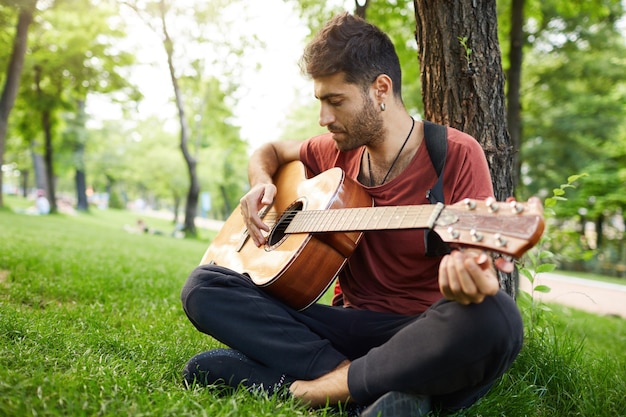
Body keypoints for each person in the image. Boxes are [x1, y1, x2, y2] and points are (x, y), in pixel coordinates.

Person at [181, 12, 527, 416]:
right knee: (204, 287)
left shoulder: (456, 153)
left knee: (497, 317)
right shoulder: (333, 150)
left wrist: (473, 278)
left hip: (417, 333)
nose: (323, 118)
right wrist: (261, 183)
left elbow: (480, 267)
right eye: (320, 101)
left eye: (335, 101)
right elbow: (270, 151)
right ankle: (368, 389)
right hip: (344, 327)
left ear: (381, 88)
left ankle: (305, 390)